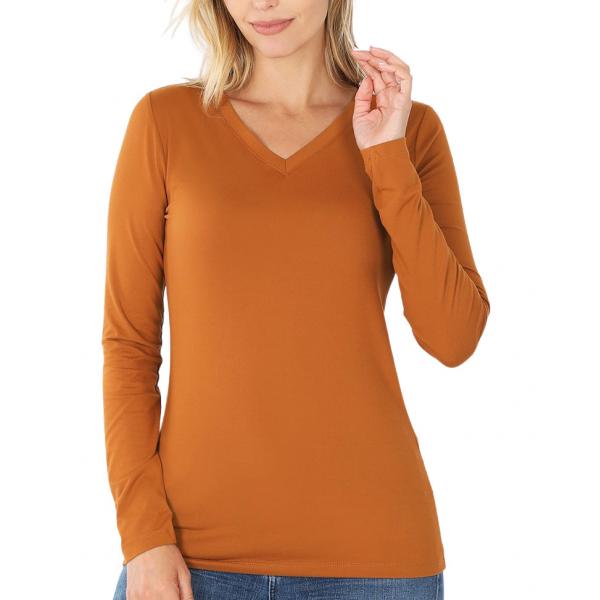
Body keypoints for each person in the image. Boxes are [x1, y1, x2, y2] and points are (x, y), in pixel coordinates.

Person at [102, 1, 490, 598]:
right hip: (190, 558)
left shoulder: (409, 129)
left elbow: (454, 337)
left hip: (376, 562)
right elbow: (129, 346)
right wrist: (143, 538)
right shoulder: (166, 121)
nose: (262, 3)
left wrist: (385, 154)